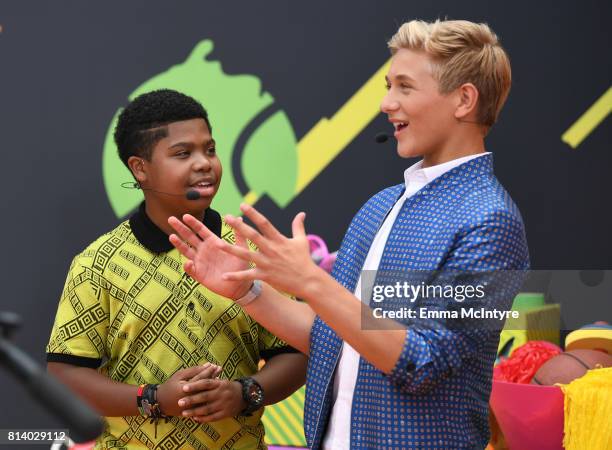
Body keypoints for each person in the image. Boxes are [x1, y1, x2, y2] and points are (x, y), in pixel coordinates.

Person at [168, 19, 529, 450]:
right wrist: (250, 291)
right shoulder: (381, 205)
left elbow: (424, 363)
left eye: (404, 87)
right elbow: (336, 335)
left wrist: (311, 282)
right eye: (387, 85)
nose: (386, 103)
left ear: (463, 100)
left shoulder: (491, 221)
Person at [46, 89, 308, 449]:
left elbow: (296, 353)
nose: (204, 163)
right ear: (140, 168)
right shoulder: (97, 263)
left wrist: (244, 392)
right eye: (183, 153)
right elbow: (65, 372)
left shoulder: (251, 249)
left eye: (210, 149)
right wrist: (153, 398)